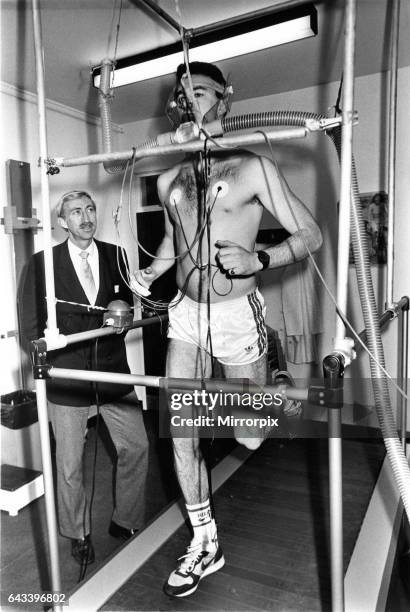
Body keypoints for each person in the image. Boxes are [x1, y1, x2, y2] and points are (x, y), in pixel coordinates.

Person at [133, 62, 322, 598]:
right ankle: (204, 540)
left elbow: (311, 234)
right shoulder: (169, 178)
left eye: (200, 92)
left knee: (249, 434)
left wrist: (259, 258)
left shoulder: (252, 167)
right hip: (186, 319)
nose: (189, 102)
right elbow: (175, 242)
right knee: (181, 430)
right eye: (182, 95)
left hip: (237, 315)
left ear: (225, 98)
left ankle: (273, 387)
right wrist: (151, 272)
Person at [21, 190, 149, 567]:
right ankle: (77, 532)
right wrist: (49, 361)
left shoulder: (116, 256)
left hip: (112, 372)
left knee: (137, 447)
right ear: (63, 221)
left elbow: (125, 311)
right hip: (68, 378)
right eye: (75, 211)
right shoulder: (42, 263)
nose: (85, 216)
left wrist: (119, 324)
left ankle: (125, 519)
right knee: (71, 466)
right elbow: (30, 326)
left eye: (90, 209)